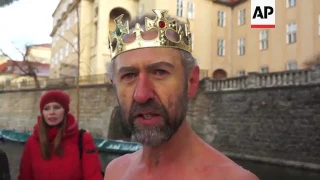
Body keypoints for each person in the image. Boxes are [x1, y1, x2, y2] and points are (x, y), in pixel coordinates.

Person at [104, 9, 259, 180]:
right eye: (129, 76)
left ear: (191, 82)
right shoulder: (115, 172)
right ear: (114, 86)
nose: (142, 95)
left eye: (160, 72)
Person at [18, 90, 103, 180]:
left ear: (65, 111)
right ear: (42, 113)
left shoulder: (83, 139)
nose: (51, 112)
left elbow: (93, 176)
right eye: (46, 108)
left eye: (57, 107)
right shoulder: (32, 142)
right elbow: (25, 176)